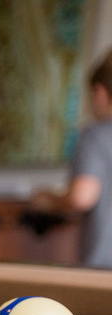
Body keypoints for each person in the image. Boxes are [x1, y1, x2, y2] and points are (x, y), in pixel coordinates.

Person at [33, 49, 112, 268]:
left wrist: (48, 199)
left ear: (100, 93)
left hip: (105, 270)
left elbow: (82, 196)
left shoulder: (96, 134)